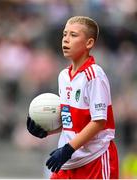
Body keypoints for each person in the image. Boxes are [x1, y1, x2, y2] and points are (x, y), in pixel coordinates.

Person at [27, 16, 119, 179]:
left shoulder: (94, 75)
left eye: (73, 35)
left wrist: (68, 149)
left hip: (94, 160)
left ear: (89, 43)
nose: (66, 40)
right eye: (64, 34)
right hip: (69, 161)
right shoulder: (63, 76)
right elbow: (73, 122)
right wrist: (46, 132)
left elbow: (98, 122)